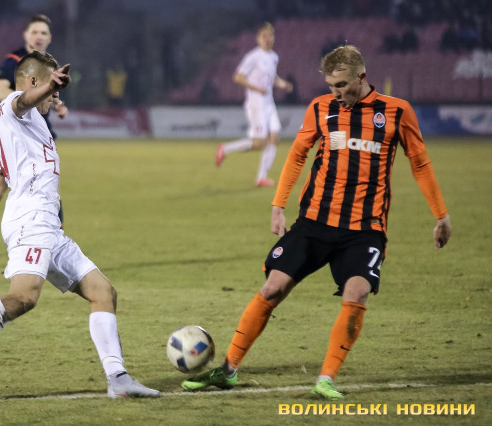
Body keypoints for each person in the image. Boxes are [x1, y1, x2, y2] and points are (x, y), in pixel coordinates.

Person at [183, 45, 452, 399]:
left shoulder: (397, 111)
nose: (335, 93)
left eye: (341, 85)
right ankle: (228, 370)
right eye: (330, 86)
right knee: (273, 288)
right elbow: (298, 154)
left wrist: (441, 214)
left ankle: (326, 378)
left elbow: (420, 162)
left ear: (361, 77)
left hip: (364, 228)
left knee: (357, 292)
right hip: (314, 222)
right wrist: (278, 205)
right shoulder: (320, 108)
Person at [0, 51, 159, 406]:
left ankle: (118, 379)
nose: (55, 96)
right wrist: (50, 84)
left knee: (103, 292)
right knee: (24, 297)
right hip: (30, 220)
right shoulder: (12, 108)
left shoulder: (18, 130)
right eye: (51, 89)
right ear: (35, 82)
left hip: (47, 224)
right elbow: (22, 100)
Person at [0, 14, 68, 247]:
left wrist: (58, 104)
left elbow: (47, 93)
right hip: (19, 135)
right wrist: (24, 100)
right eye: (34, 32)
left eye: (43, 33)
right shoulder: (13, 62)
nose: (39, 36)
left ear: (50, 38)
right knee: (36, 185)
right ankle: (50, 239)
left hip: (40, 133)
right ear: (26, 35)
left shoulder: (46, 64)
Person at [215, 22, 293, 187]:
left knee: (274, 138)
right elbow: (238, 77)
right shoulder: (253, 57)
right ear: (258, 39)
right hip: (256, 104)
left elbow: (272, 78)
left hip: (269, 103)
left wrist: (283, 84)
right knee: (259, 143)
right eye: (264, 36)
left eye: (270, 35)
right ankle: (225, 149)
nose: (267, 38)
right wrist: (256, 89)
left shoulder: (274, 57)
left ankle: (261, 177)